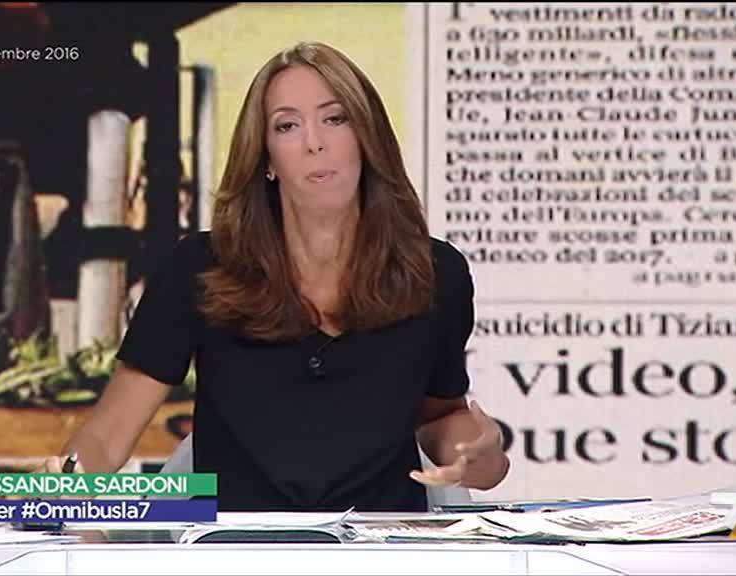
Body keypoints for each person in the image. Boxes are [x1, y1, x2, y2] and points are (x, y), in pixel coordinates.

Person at [38, 41, 509, 511]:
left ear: (368, 138)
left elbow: (440, 416)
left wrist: (479, 456)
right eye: (287, 126)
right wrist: (68, 488)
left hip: (383, 539)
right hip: (230, 540)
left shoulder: (434, 273)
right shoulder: (200, 268)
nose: (314, 143)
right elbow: (107, 436)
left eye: (335, 119)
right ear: (266, 158)